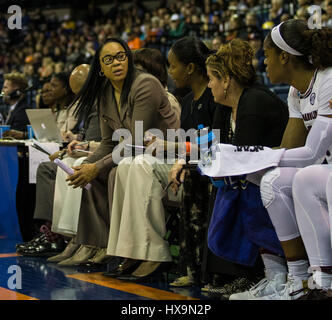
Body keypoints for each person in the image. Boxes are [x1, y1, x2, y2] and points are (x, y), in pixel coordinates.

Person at [101, 37, 229, 282]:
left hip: (205, 175)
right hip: (183, 169)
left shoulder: (216, 98)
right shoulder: (190, 101)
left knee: (138, 164)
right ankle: (130, 250)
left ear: (190, 68)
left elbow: (215, 144)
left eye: (173, 66)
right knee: (126, 164)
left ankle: (154, 250)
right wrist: (172, 152)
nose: (170, 72)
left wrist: (170, 147)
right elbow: (187, 147)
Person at [168, 38, 289, 295]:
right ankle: (228, 272)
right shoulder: (224, 108)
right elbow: (213, 150)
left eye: (212, 78)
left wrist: (201, 163)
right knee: (216, 181)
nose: (209, 83)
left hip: (275, 174)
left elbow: (241, 157)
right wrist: (187, 161)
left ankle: (253, 272)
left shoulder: (254, 101)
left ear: (226, 80)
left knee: (232, 186)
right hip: (252, 175)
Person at [230, 19, 332, 300]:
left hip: (324, 169)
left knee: (305, 178)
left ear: (284, 56)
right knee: (271, 180)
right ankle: (296, 281)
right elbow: (289, 148)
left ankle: (324, 279)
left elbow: (311, 154)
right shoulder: (295, 92)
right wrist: (244, 163)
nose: (264, 63)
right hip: (326, 169)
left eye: (267, 55)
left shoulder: (328, 80)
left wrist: (254, 155)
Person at [59, 37, 180, 267]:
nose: (116, 62)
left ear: (128, 59)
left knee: (110, 172)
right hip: (134, 156)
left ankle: (130, 249)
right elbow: (107, 142)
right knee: (90, 171)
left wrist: (97, 166)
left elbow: (136, 139)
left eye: (121, 56)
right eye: (109, 59)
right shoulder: (105, 92)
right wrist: (87, 166)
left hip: (165, 156)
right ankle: (97, 243)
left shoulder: (145, 84)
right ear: (101, 68)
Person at [16, 64, 101, 257]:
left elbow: (98, 144)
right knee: (48, 167)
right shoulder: (89, 106)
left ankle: (62, 235)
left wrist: (70, 149)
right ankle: (53, 232)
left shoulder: (95, 106)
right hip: (83, 151)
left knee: (55, 167)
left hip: (96, 158)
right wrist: (76, 140)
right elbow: (87, 137)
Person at [1, 72, 31, 137]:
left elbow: (12, 137)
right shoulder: (12, 109)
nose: (2, 91)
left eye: (5, 87)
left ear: (17, 92)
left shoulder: (22, 111)